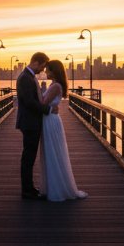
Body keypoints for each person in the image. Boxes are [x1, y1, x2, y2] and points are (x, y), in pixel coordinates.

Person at [38, 60, 88, 201]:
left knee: (52, 152)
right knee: (52, 151)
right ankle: (52, 185)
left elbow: (43, 102)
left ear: (54, 71)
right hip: (51, 118)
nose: (45, 72)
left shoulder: (55, 86)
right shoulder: (54, 85)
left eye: (48, 70)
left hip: (50, 120)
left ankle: (56, 188)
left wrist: (41, 90)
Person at [16, 52, 50, 199]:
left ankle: (29, 187)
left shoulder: (28, 77)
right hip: (29, 123)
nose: (42, 70)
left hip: (31, 122)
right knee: (28, 157)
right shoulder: (25, 78)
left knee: (29, 156)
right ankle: (27, 190)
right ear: (36, 62)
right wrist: (47, 109)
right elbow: (29, 102)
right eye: (42, 67)